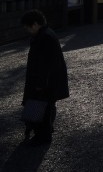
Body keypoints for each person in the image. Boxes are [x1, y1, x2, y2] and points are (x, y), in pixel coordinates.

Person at [21, 10, 69, 145]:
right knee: (47, 107)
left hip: (45, 81)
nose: (27, 30)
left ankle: (43, 137)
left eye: (27, 27)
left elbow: (46, 64)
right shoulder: (47, 34)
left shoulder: (44, 37)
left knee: (42, 108)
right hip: (50, 80)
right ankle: (46, 131)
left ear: (35, 24)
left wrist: (40, 84)